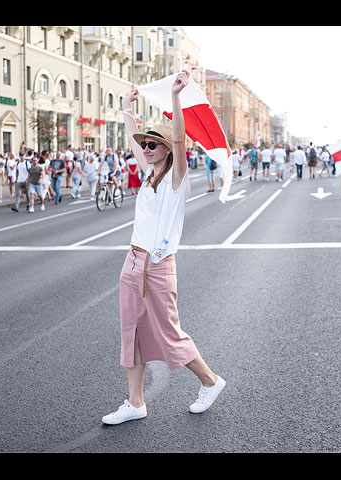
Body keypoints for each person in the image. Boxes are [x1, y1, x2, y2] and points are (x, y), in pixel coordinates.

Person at [102, 71, 226, 425]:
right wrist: (127, 109)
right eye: (145, 145)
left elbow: (180, 142)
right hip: (133, 260)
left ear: (166, 149)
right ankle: (135, 402)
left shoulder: (177, 179)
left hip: (158, 265)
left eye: (152, 145)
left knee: (170, 333)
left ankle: (210, 381)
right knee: (132, 332)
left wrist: (174, 97)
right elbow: (130, 139)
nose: (145, 149)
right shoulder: (149, 176)